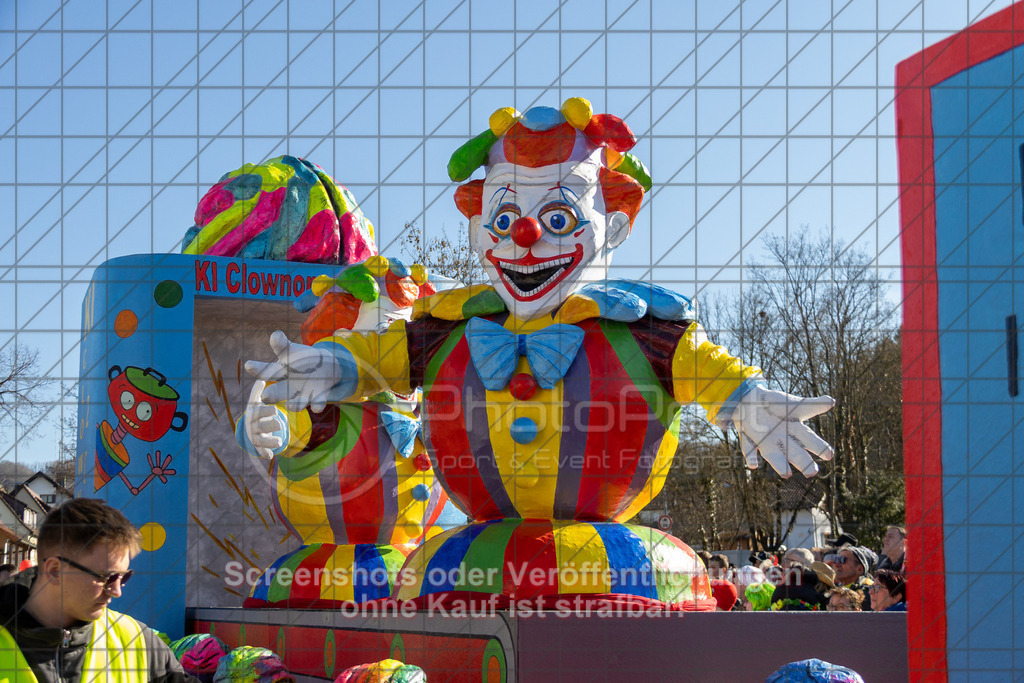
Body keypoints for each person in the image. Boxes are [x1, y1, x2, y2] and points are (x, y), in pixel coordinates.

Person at [0, 498, 201, 682]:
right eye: (106, 577)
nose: (116, 591)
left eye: (124, 577)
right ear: (54, 571)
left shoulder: (135, 640)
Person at [833, 546, 875, 610]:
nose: (837, 564)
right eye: (836, 559)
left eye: (843, 560)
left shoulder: (869, 593)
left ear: (859, 569)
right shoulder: (836, 589)